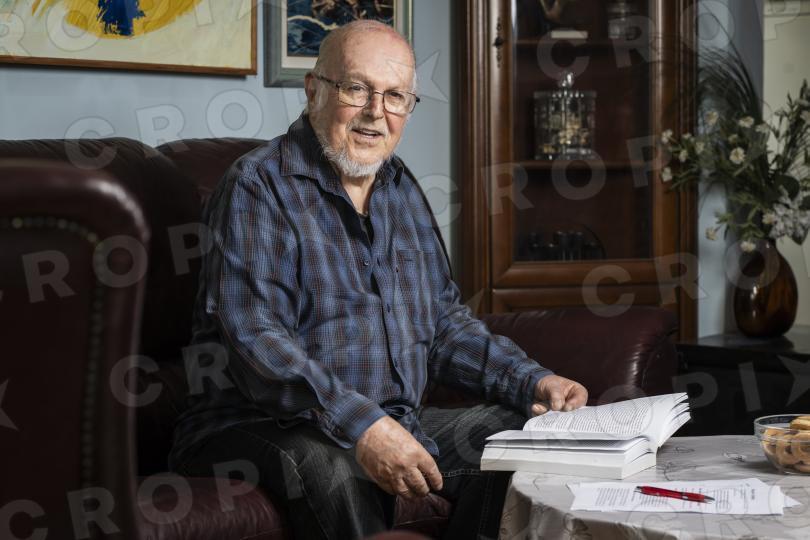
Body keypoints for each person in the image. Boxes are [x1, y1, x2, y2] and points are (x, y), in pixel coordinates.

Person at [169, 19, 588, 540]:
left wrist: (533, 380)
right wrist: (363, 425)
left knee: (524, 440)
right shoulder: (257, 186)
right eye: (356, 89)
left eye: (395, 96)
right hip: (256, 426)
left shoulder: (400, 188)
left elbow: (443, 326)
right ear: (314, 90)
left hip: (394, 419)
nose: (376, 112)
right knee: (332, 466)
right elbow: (257, 337)